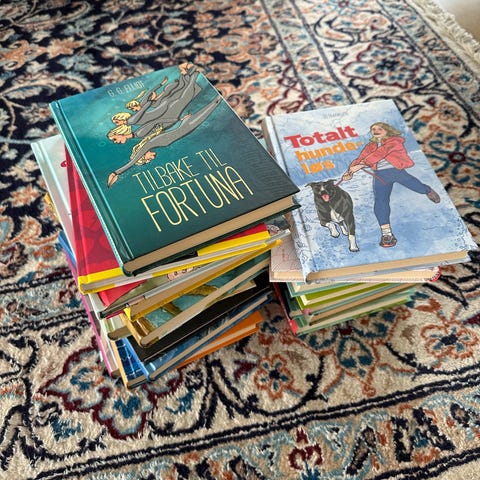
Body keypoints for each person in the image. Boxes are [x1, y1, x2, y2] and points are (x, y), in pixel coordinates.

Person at [341, 121, 440, 248]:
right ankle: (387, 234)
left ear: (387, 130)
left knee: (417, 187)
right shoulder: (371, 145)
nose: (376, 131)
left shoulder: (394, 141)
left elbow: (380, 153)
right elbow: (360, 158)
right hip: (380, 175)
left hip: (396, 171)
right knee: (380, 201)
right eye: (373, 129)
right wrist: (350, 172)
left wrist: (361, 165)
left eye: (379, 128)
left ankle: (427, 190)